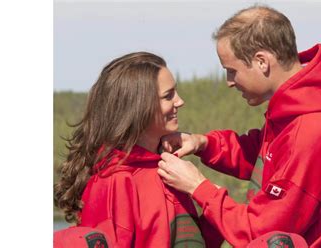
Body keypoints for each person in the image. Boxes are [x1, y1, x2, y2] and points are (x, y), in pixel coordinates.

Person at [157, 5, 321, 247]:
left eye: (232, 71)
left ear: (262, 61)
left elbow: (261, 230)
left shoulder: (314, 130)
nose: (229, 82)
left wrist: (198, 187)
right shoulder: (299, 112)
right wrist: (203, 143)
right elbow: (267, 157)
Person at [53, 52, 222, 247]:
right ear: (139, 106)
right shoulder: (114, 181)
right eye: (169, 96)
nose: (180, 101)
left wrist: (213, 216)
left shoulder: (168, 169)